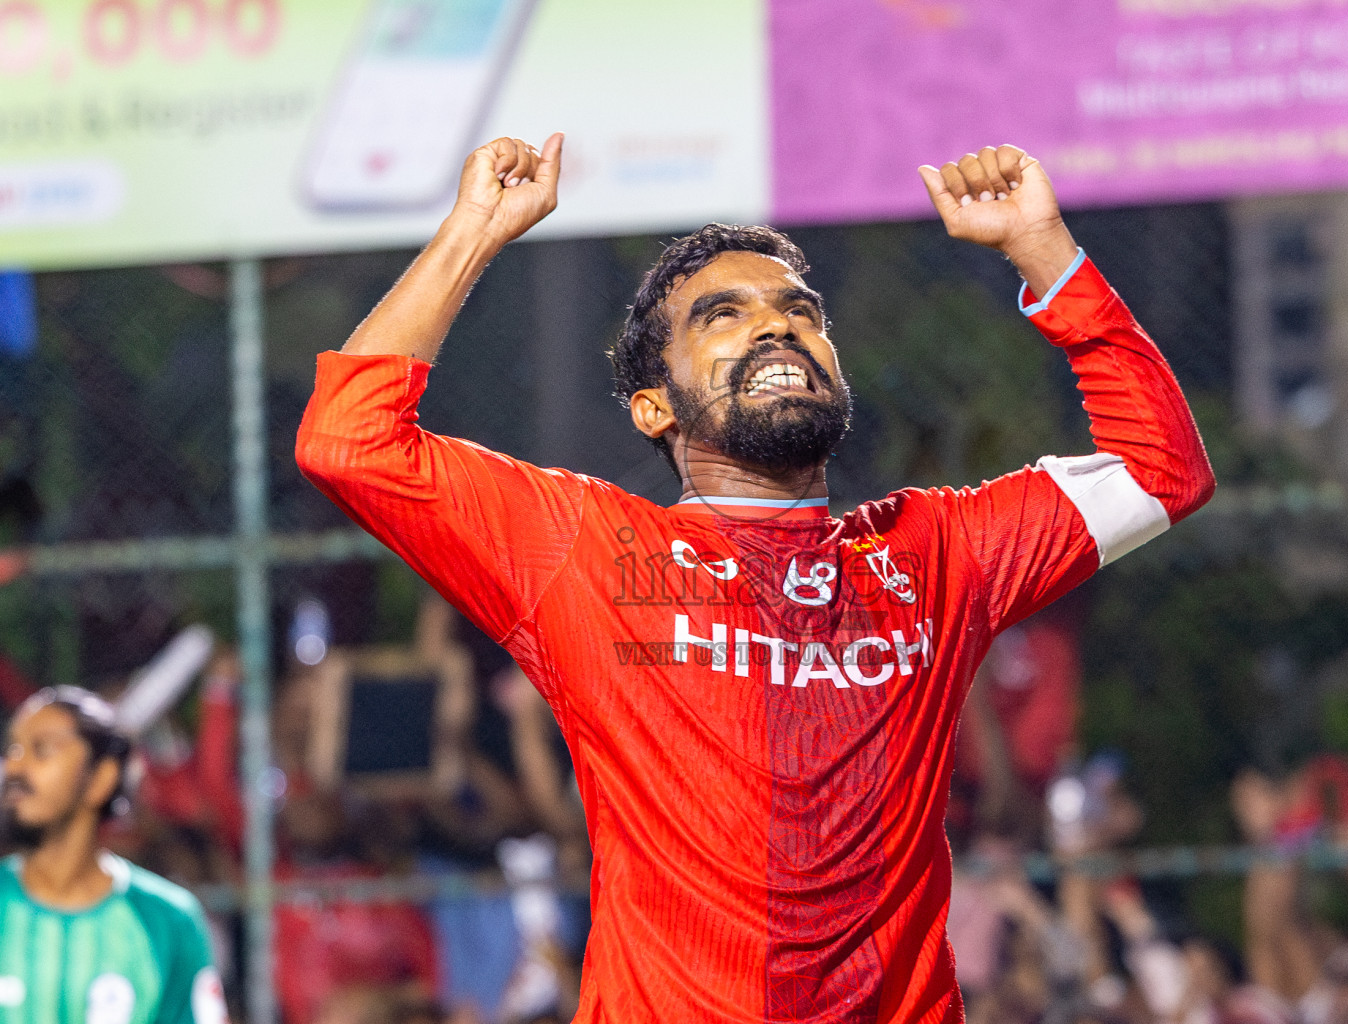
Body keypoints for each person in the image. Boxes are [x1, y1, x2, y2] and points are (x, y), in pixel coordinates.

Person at [296, 131, 1215, 1022]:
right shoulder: (583, 547)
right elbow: (349, 438)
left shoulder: (933, 553)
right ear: (656, 408)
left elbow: (1163, 469)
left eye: (802, 312)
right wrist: (474, 234)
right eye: (722, 315)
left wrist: (1043, 251)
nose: (779, 323)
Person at [0, 686, 228, 1024]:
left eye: (42, 750)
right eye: (12, 749)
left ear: (100, 779)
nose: (14, 767)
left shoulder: (166, 921)